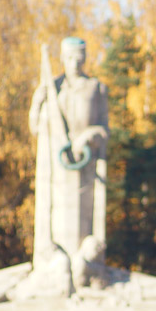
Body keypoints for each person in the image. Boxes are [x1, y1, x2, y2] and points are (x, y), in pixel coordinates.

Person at [26, 36, 109, 295]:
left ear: (85, 59)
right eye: (70, 58)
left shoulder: (95, 88)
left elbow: (105, 131)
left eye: (79, 58)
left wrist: (88, 135)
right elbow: (36, 129)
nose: (74, 63)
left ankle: (84, 270)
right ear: (62, 58)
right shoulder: (54, 88)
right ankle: (55, 267)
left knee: (83, 229)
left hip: (86, 172)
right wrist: (37, 103)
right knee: (55, 224)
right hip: (56, 175)